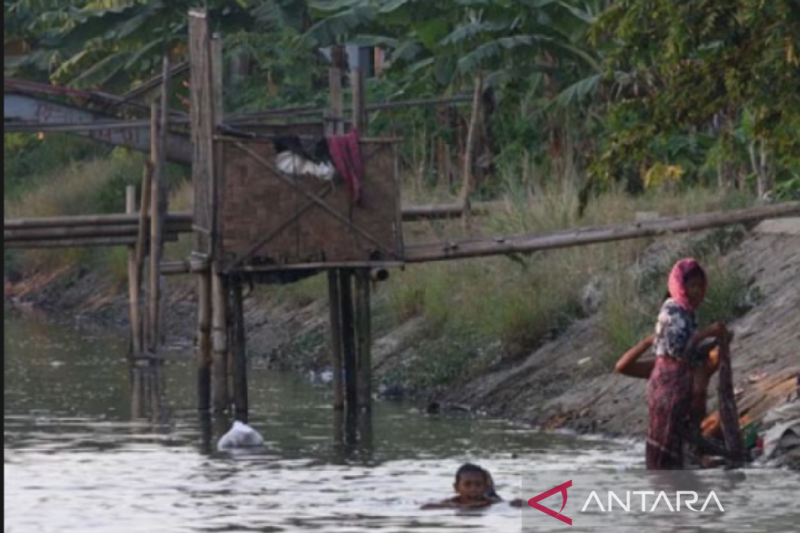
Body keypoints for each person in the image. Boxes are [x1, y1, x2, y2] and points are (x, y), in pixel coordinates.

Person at [619, 258, 737, 469]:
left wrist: (718, 339)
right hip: (671, 399)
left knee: (676, 450)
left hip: (682, 412)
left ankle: (686, 466)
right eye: (692, 286)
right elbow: (680, 350)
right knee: (669, 453)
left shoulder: (688, 318)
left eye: (701, 286)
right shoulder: (673, 317)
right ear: (680, 287)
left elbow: (690, 350)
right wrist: (648, 341)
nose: (698, 292)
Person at [420, 463, 524, 509]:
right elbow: (425, 507)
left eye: (478, 484)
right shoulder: (450, 503)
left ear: (484, 487)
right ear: (456, 488)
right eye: (467, 484)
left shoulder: (492, 503)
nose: (473, 489)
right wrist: (461, 507)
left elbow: (515, 503)